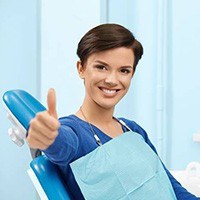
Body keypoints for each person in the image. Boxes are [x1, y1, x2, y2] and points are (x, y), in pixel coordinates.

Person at [27, 24, 199, 200]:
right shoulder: (73, 132)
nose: (112, 80)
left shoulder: (133, 130)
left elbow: (171, 188)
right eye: (101, 67)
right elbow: (62, 145)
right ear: (81, 68)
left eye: (124, 71)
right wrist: (49, 137)